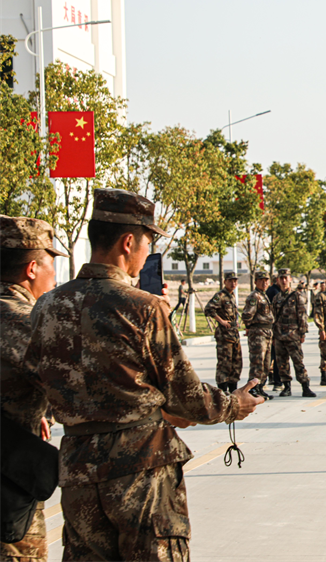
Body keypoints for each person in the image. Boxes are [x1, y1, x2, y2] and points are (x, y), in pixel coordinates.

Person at [25, 188, 263, 561]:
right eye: (148, 242)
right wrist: (234, 404)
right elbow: (187, 396)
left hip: (77, 469)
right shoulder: (143, 308)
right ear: (127, 241)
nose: (147, 253)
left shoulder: (47, 306)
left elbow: (39, 378)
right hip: (140, 472)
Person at [0, 216, 67, 562]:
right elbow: (77, 388)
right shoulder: (22, 321)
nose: (53, 277)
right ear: (31, 269)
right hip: (8, 492)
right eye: (51, 266)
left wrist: (34, 408)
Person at [272, 268, 315, 398]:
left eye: (286, 278)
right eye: (281, 278)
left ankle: (305, 386)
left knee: (298, 362)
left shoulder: (297, 296)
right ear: (278, 280)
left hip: (293, 335)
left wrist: (302, 333)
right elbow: (273, 317)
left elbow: (302, 315)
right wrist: (274, 335)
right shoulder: (276, 298)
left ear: (290, 279)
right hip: (279, 336)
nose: (284, 281)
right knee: (282, 363)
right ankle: (286, 387)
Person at [204, 271, 242, 393]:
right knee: (224, 364)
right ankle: (222, 391)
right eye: (230, 281)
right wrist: (221, 321)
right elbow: (208, 309)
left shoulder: (232, 296)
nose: (233, 283)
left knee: (236, 363)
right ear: (225, 282)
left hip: (234, 335)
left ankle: (233, 390)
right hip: (224, 336)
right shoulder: (220, 296)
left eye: (235, 281)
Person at [242, 271, 275, 400]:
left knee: (266, 363)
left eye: (266, 280)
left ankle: (261, 387)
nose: (264, 282)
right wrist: (251, 327)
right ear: (255, 282)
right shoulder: (254, 296)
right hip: (258, 333)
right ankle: (253, 388)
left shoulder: (263, 295)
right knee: (257, 362)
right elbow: (247, 315)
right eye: (261, 280)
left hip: (267, 332)